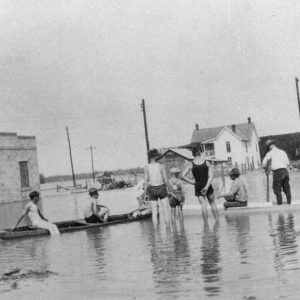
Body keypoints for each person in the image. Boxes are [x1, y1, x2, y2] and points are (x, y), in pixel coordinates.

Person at [181, 146, 219, 226]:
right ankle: (217, 221)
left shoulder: (191, 164)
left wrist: (191, 182)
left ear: (193, 154)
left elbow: (182, 176)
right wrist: (206, 187)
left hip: (198, 186)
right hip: (208, 186)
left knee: (203, 205)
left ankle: (206, 224)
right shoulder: (206, 162)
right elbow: (211, 176)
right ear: (199, 153)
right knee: (212, 203)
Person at [144, 148, 170, 226]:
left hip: (152, 189)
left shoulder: (146, 167)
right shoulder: (161, 166)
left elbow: (146, 181)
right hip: (161, 188)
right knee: (166, 211)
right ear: (155, 156)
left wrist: (145, 194)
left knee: (154, 213)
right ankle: (168, 231)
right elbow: (166, 180)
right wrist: (170, 190)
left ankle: (156, 233)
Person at [262, 139, 291, 205]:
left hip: (277, 173)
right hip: (285, 172)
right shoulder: (283, 152)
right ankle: (289, 204)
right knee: (287, 190)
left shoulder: (269, 153)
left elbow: (263, 164)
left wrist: (267, 168)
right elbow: (287, 163)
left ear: (269, 147)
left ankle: (280, 206)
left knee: (277, 190)